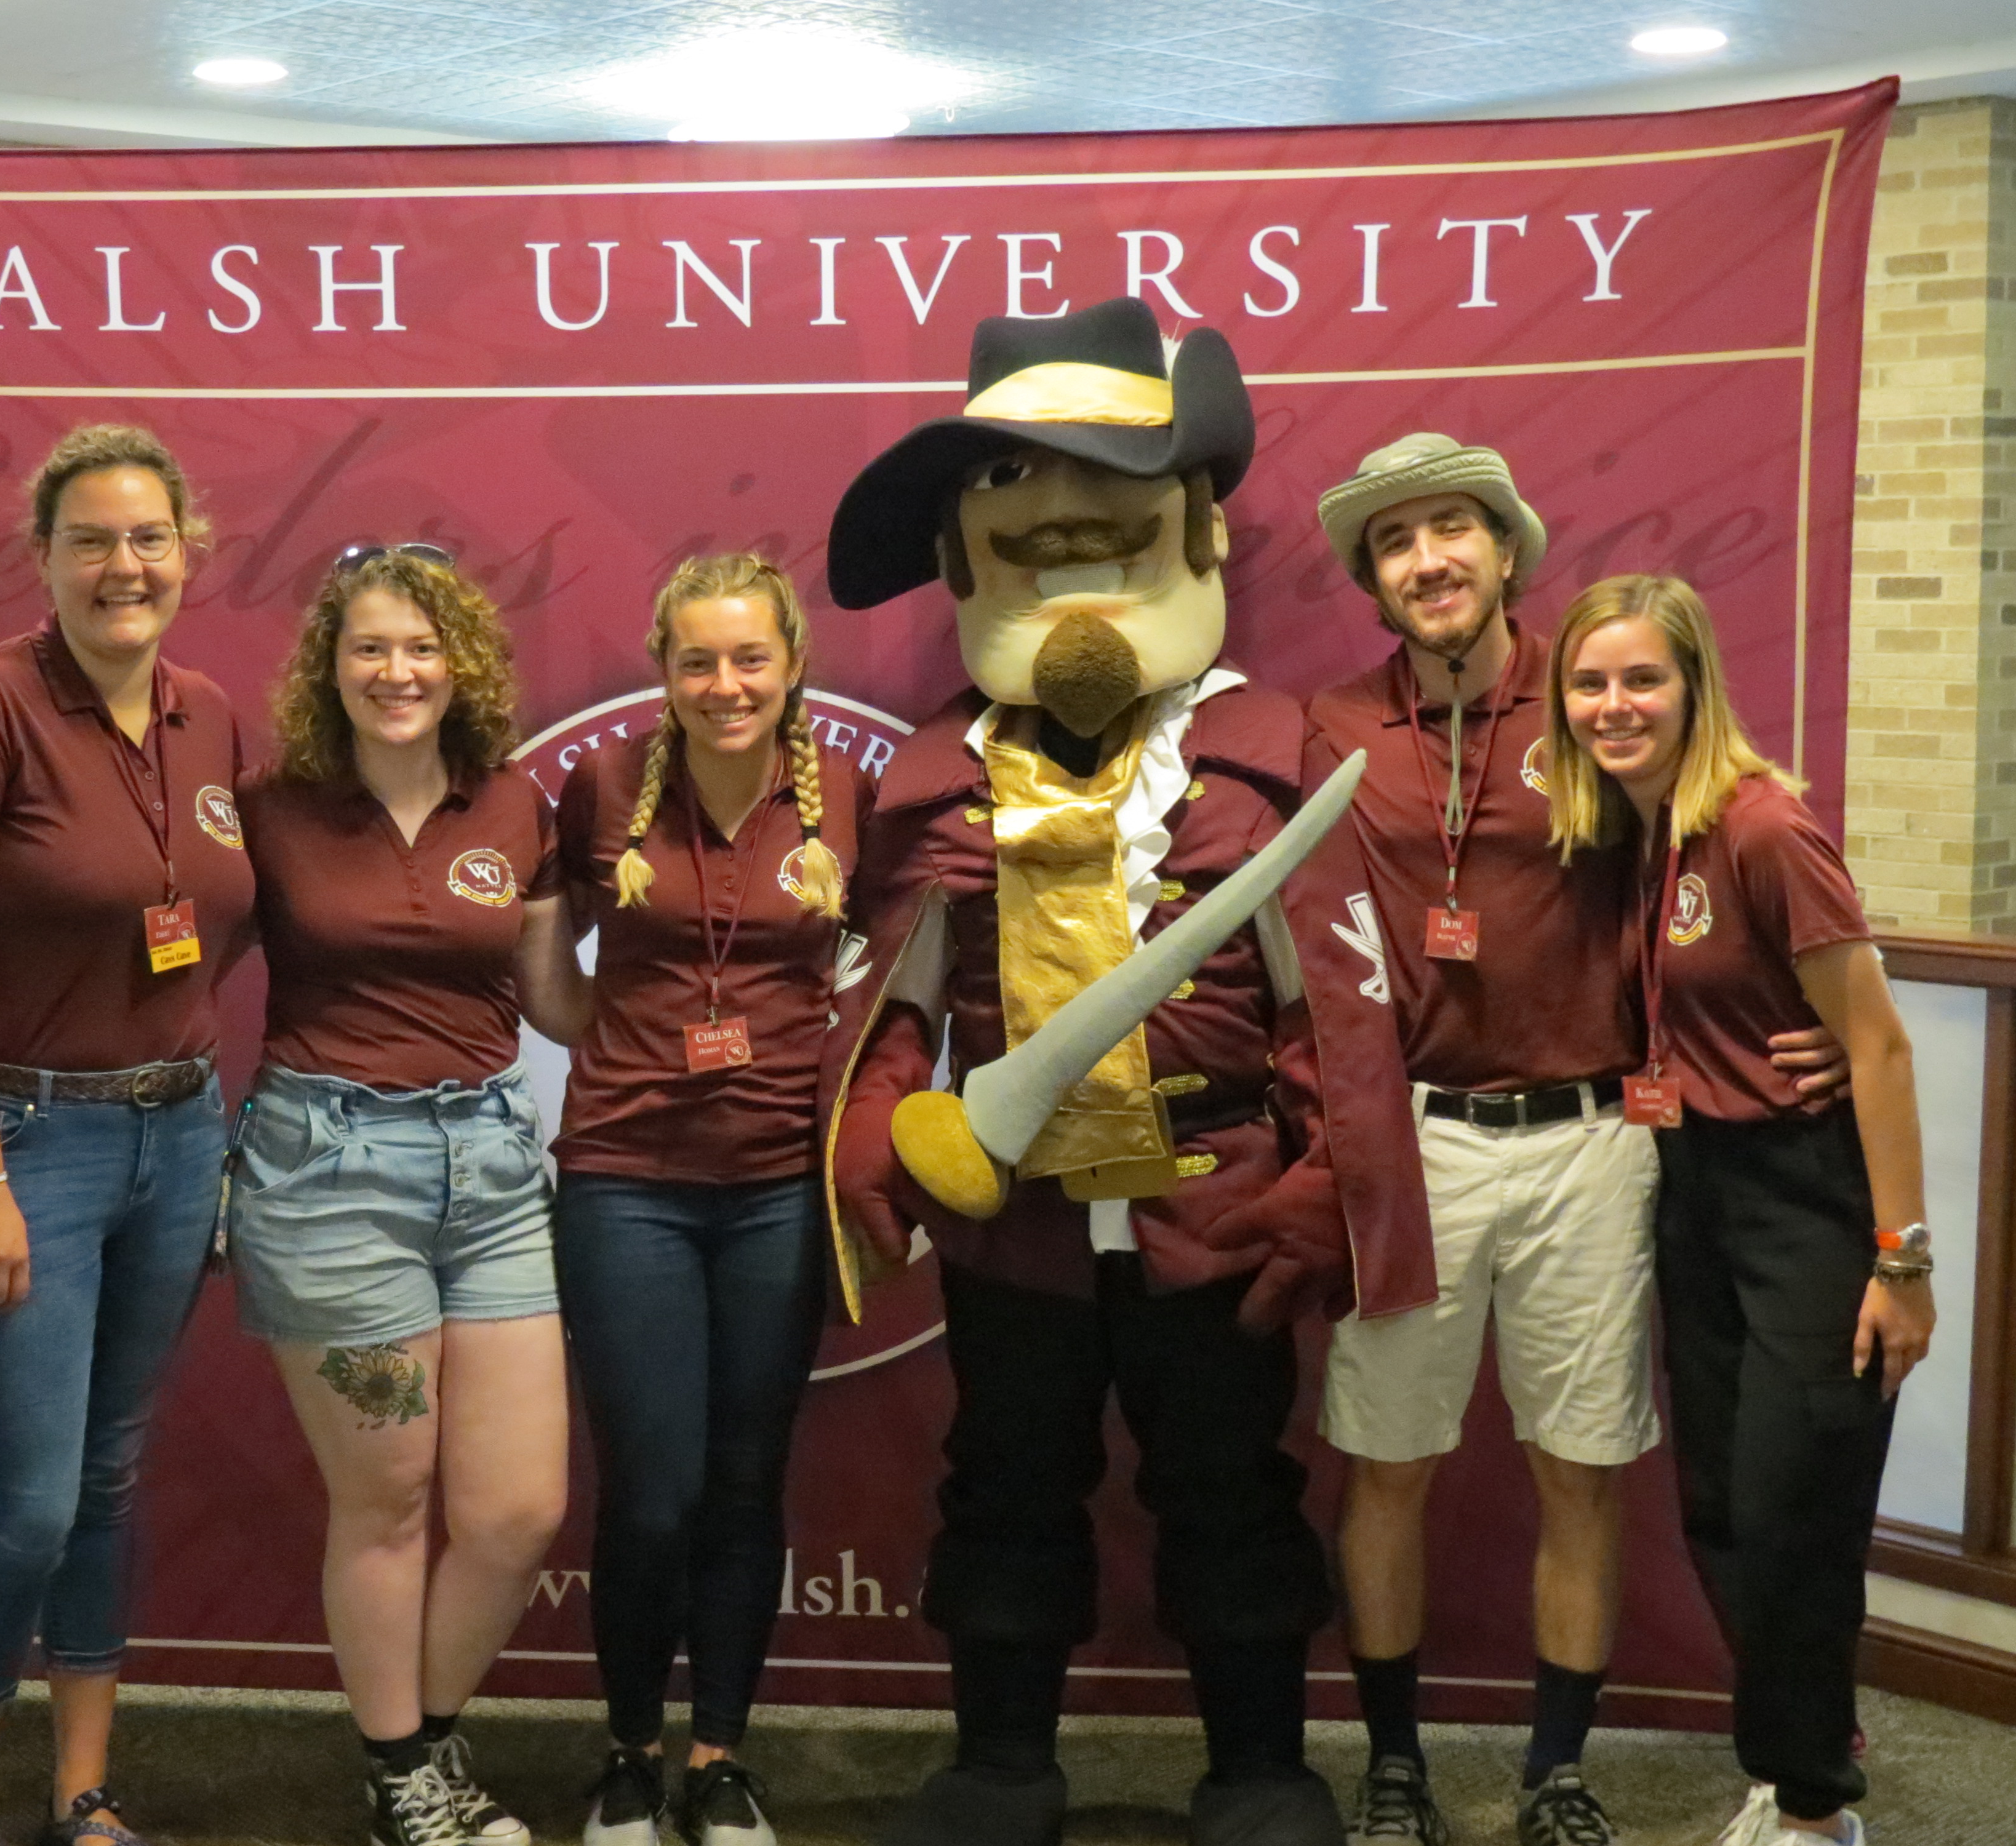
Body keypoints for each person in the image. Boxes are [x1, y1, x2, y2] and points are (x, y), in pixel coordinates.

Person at [821, 298, 1434, 1846]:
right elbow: (881, 1008)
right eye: (1023, 529)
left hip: (1213, 1208)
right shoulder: (928, 779)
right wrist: (881, 1141)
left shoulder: (1276, 766)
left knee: (1231, 1486)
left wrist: (1319, 1192)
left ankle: (1255, 1768)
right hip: (1009, 1221)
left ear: (1197, 534)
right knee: (1004, 1482)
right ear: (965, 563)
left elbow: (1339, 1014)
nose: (1067, 559)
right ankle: (1004, 1765)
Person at [1305, 436, 1846, 1846]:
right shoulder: (1331, 727)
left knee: (1580, 1462)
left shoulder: (1602, 695)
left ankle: (1554, 1769)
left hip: (1594, 1138)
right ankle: (1393, 1771)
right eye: (1394, 541)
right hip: (1409, 1142)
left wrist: (1838, 1014)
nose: (1426, 560)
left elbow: (1743, 837)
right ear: (1370, 578)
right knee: (1388, 1461)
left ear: (1501, 550)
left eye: (1450, 532)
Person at [0, 423, 255, 1846]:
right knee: (29, 1501)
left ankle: (84, 1789)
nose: (123, 565)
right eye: (90, 540)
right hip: (21, 1144)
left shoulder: (208, 716)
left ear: (189, 550)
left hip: (176, 1139)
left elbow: (212, 926)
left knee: (108, 1477)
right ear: (42, 560)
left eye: (148, 537)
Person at [1545, 573, 1932, 1846]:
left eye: (1639, 678)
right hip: (1693, 1193)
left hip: (1807, 1206)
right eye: (1589, 682)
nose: (1613, 705)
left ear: (1694, 685)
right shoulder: (1637, 832)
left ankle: (1819, 1810)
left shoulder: (1763, 828)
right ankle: (1788, 1760)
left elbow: (1871, 1048)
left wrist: (1900, 1259)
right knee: (1717, 1505)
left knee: (1790, 1513)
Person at [228, 544, 588, 1846]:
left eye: (422, 647)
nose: (398, 671)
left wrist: (693, 993)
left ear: (463, 664)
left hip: (491, 1165)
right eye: (371, 647)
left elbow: (556, 1003)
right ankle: (408, 1779)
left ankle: (414, 1750)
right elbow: (166, 950)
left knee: (514, 1510)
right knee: (386, 1501)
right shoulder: (268, 807)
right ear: (331, 665)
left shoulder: (513, 803)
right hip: (328, 1176)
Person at [553, 553, 868, 1846]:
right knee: (651, 1489)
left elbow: (899, 960)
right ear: (662, 668)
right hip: (625, 1177)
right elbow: (535, 955)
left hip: (779, 1188)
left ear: (790, 663)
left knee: (747, 1479)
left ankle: (719, 1756)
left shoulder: (846, 790)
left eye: (748, 658)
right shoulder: (606, 785)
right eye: (696, 660)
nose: (723, 684)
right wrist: (612, 1047)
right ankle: (627, 1753)